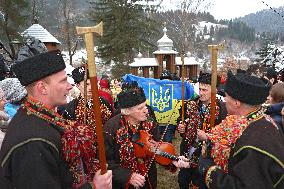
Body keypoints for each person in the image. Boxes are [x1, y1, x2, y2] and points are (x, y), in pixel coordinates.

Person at [0, 51, 112, 189]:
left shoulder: (39, 118)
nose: (70, 86)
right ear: (42, 88)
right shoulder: (33, 141)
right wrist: (94, 186)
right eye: (63, 81)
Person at [198, 70, 284, 189]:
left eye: (226, 96)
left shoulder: (254, 143)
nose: (224, 99)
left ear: (237, 103)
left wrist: (209, 170)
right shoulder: (260, 121)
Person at [104, 82, 189, 189]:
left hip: (148, 178)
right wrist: (128, 176)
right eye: (140, 108)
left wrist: (172, 159)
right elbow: (105, 161)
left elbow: (156, 149)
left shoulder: (150, 123)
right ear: (127, 111)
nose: (146, 110)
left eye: (145, 105)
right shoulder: (111, 128)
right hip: (122, 183)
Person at [177, 73, 227, 189]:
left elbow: (224, 136)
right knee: (183, 180)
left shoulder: (222, 109)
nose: (201, 93)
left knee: (200, 182)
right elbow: (181, 120)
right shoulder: (191, 104)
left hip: (206, 155)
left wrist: (208, 137)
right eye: (200, 89)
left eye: (205, 90)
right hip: (187, 149)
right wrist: (181, 127)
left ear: (214, 90)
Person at [158, 69, 176, 143]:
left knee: (167, 143)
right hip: (158, 122)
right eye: (163, 81)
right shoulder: (156, 91)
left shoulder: (175, 92)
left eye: (167, 81)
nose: (165, 83)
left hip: (170, 122)